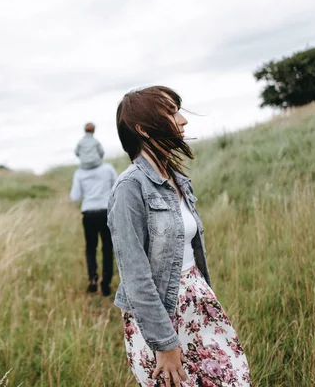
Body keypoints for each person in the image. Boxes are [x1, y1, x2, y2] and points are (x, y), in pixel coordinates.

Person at [107, 86, 251, 386]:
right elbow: (135, 277)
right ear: (143, 129)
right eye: (172, 113)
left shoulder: (176, 179)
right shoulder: (130, 188)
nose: (183, 120)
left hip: (197, 303)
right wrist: (165, 344)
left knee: (233, 379)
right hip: (161, 316)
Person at [70, 158, 117, 296]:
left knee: (91, 248)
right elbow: (117, 187)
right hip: (106, 212)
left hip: (89, 213)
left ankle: (92, 278)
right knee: (107, 248)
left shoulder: (79, 172)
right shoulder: (108, 168)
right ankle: (106, 284)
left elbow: (74, 197)